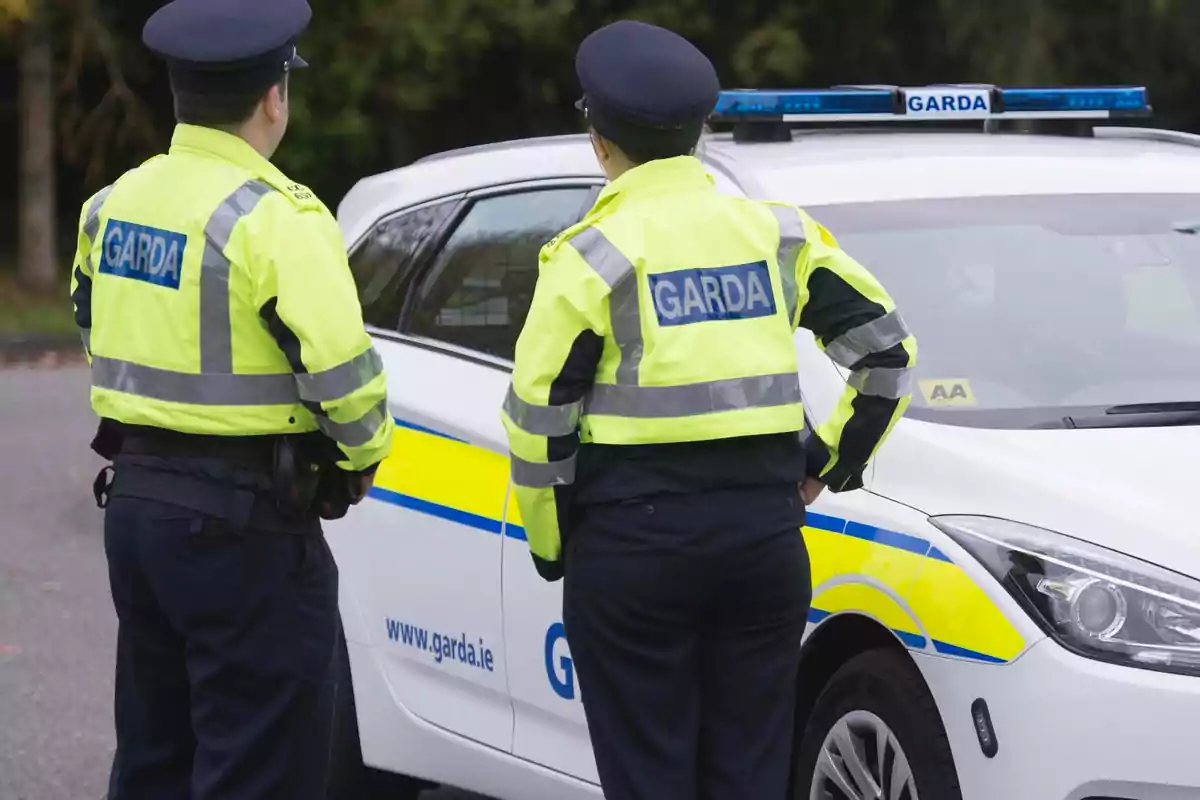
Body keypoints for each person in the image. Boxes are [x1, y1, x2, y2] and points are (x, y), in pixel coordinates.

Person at [500, 19, 917, 800]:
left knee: (650, 776)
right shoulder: (777, 235)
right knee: (750, 774)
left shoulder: (591, 256)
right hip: (761, 545)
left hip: (632, 551)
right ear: (699, 134)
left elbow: (538, 417)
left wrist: (556, 545)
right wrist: (832, 462)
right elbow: (888, 355)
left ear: (598, 139)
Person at [68, 0, 395, 797]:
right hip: (246, 528)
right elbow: (344, 380)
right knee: (260, 767)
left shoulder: (112, 206)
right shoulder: (275, 219)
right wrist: (356, 461)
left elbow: (90, 319)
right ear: (273, 97)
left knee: (153, 757)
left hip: (139, 511)